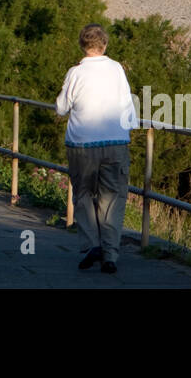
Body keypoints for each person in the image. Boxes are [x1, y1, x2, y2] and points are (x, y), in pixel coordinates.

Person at [55, 24, 135, 274]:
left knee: (83, 195)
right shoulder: (117, 70)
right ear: (105, 45)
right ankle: (111, 254)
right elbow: (128, 103)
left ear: (82, 45)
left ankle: (92, 245)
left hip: (81, 144)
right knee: (112, 198)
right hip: (116, 142)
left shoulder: (75, 73)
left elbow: (61, 107)